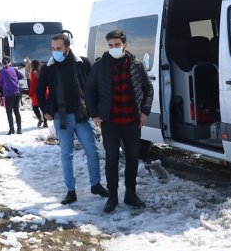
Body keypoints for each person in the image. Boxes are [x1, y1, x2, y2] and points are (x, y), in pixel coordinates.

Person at [85, 29, 154, 212]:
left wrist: (145, 111)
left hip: (132, 122)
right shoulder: (100, 66)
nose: (114, 48)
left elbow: (148, 89)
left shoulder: (136, 65)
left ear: (125, 45)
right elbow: (89, 91)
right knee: (112, 160)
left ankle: (130, 194)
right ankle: (113, 196)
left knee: (132, 158)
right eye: (111, 45)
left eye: (117, 44)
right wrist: (94, 114)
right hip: (111, 122)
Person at [36, 33, 109, 205]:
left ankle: (96, 185)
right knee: (66, 154)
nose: (55, 51)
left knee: (93, 151)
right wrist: (46, 110)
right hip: (61, 117)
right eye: (53, 48)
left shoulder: (82, 63)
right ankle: (71, 191)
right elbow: (40, 91)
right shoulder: (48, 67)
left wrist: (96, 111)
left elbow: (95, 87)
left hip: (83, 116)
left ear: (68, 47)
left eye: (59, 48)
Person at [0, 56, 24, 134]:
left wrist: (6, 83)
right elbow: (21, 76)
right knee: (17, 111)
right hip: (16, 93)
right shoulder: (14, 69)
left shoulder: (2, 72)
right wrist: (14, 80)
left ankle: (12, 129)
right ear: (10, 62)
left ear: (2, 63)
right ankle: (19, 129)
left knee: (9, 112)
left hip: (8, 94)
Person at [29, 59, 47, 128]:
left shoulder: (33, 73)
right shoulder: (43, 71)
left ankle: (40, 119)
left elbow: (33, 84)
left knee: (35, 107)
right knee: (43, 107)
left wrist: (30, 93)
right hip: (44, 91)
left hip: (36, 92)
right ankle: (45, 122)